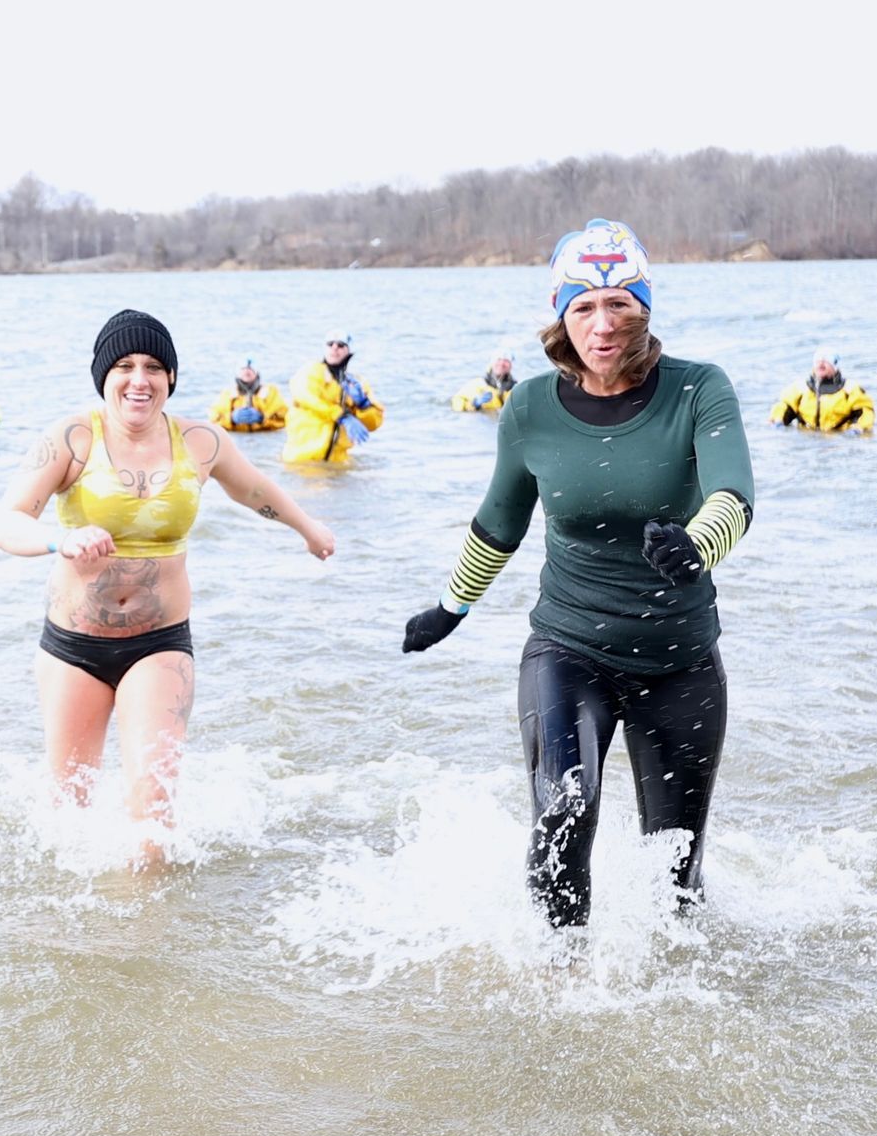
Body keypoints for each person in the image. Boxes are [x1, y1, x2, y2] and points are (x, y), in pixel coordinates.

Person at [401, 218, 755, 928]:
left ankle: (674, 986)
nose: (603, 323)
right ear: (561, 313)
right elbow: (499, 522)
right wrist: (450, 607)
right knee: (564, 810)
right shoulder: (529, 408)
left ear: (644, 308)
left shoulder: (698, 389)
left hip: (680, 661)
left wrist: (696, 546)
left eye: (620, 303)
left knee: (677, 875)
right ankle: (559, 976)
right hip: (569, 651)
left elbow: (733, 495)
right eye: (584, 305)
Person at [0, 310, 336, 866]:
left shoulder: (199, 441)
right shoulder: (72, 439)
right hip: (73, 649)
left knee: (153, 822)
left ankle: (150, 918)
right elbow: (7, 524)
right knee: (66, 815)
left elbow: (254, 490)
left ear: (170, 377)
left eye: (154, 367)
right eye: (124, 366)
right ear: (103, 376)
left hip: (159, 645)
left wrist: (308, 527)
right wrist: (62, 540)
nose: (139, 379)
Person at [283, 331, 384, 463]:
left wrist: (364, 405)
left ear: (348, 351)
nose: (335, 348)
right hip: (302, 459)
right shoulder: (311, 371)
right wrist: (341, 415)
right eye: (330, 344)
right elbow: (306, 396)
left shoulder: (356, 383)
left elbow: (374, 423)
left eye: (341, 345)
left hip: (337, 462)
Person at [767, 348, 875, 434]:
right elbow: (783, 407)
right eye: (817, 360)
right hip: (807, 438)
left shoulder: (850, 389)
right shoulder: (800, 389)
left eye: (827, 360)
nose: (821, 363)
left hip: (839, 440)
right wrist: (778, 422)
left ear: (835, 365)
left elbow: (866, 412)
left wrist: (857, 429)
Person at [208, 359, 289, 432]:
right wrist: (231, 418)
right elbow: (214, 420)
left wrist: (262, 418)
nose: (247, 371)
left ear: (257, 373)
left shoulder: (271, 393)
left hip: (262, 438)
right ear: (238, 373)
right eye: (243, 369)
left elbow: (285, 418)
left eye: (250, 369)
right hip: (237, 438)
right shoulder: (228, 394)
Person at [451, 350, 517, 413]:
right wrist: (474, 404)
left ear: (511, 365)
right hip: (481, 419)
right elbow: (457, 404)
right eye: (498, 359)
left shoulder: (515, 388)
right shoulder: (477, 384)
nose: (502, 363)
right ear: (492, 363)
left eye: (506, 361)